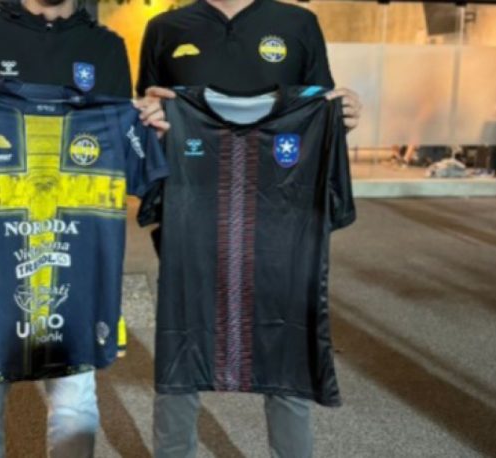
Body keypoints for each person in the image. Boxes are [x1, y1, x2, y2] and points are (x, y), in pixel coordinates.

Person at [0, 1, 166, 457]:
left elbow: (117, 147)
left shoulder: (106, 46)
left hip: (75, 253)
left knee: (74, 402)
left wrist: (150, 131)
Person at [136, 0, 362, 457]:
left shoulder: (298, 23)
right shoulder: (165, 27)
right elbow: (147, 118)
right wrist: (148, 119)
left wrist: (344, 118)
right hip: (193, 210)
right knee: (183, 331)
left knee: (286, 339)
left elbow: (319, 111)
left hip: (282, 215)